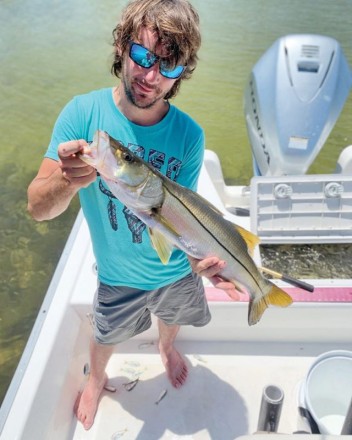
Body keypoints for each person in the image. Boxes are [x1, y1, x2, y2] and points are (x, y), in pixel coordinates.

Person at [27, 0, 239, 431]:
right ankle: (97, 378)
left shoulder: (189, 136)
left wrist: (202, 262)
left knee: (174, 318)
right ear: (122, 47)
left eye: (168, 67)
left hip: (176, 270)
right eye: (142, 56)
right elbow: (37, 208)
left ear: (181, 74)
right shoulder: (82, 115)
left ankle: (165, 350)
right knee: (105, 335)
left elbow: (183, 217)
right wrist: (68, 180)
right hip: (116, 275)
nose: (150, 76)